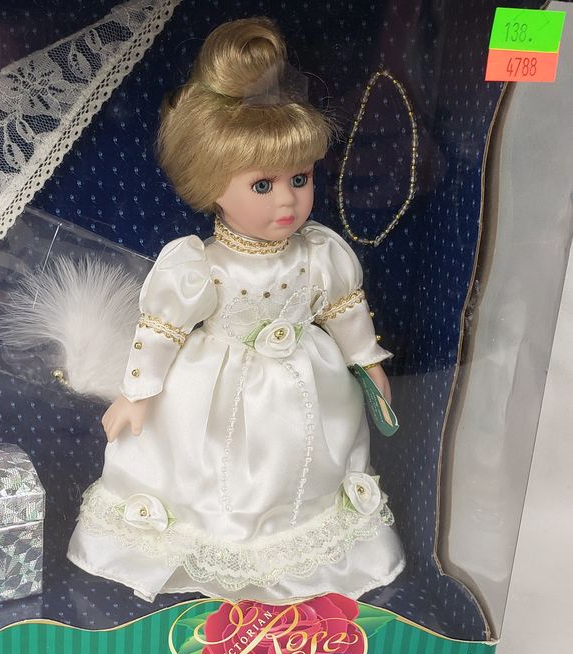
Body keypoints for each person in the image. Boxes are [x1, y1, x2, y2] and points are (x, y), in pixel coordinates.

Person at [67, 17, 405, 603]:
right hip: (216, 388)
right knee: (206, 474)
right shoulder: (198, 265)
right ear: (212, 185)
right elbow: (162, 330)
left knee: (309, 470)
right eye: (262, 185)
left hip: (308, 388)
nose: (288, 200)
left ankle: (301, 557)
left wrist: (367, 363)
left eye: (300, 178)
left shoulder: (321, 252)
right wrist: (138, 393)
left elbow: (345, 310)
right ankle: (216, 550)